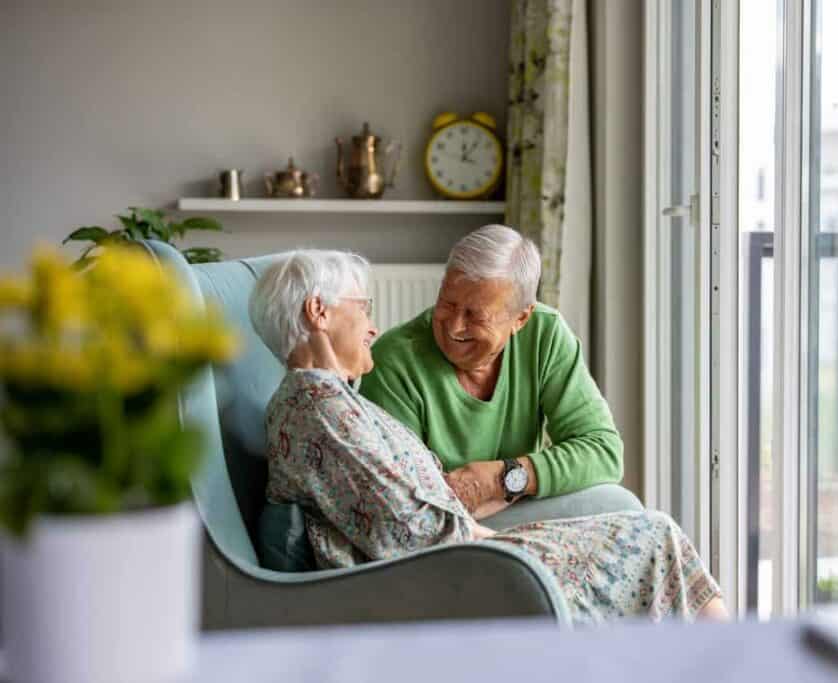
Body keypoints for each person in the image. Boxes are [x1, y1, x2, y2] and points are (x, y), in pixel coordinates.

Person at [249, 249, 728, 624]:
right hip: (454, 568)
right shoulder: (321, 409)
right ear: (319, 312)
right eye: (363, 308)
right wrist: (494, 535)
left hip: (464, 547)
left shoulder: (332, 401)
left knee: (649, 533)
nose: (373, 325)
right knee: (653, 536)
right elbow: (407, 530)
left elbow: (405, 504)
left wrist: (500, 488)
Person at [360, 225, 621, 520]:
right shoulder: (394, 359)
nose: (454, 326)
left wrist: (500, 479)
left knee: (620, 504)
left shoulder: (544, 335)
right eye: (447, 303)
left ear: (520, 319)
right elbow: (404, 503)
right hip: (444, 527)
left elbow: (603, 451)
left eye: (475, 315)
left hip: (517, 505)